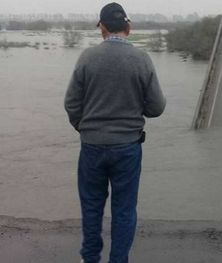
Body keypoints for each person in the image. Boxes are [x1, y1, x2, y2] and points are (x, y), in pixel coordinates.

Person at [64, 2, 166, 263]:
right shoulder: (141, 59)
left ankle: (90, 259)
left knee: (91, 208)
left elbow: (71, 103)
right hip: (128, 148)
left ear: (102, 28)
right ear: (128, 28)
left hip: (92, 146)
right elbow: (156, 107)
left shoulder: (87, 58)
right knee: (124, 210)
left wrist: (83, 126)